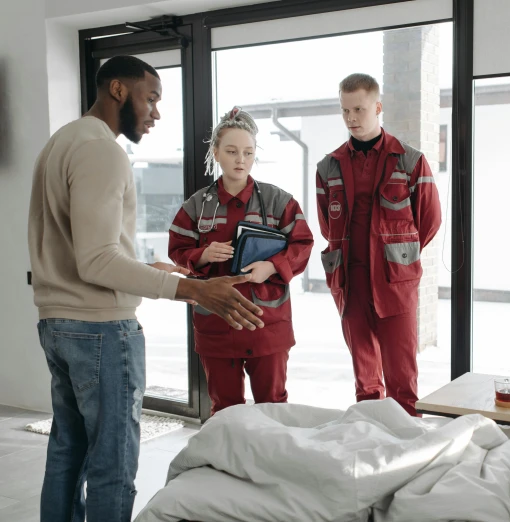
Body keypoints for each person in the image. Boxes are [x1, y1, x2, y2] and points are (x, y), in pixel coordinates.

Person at [27, 56, 264, 522]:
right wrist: (190, 289)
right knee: (113, 463)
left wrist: (140, 265)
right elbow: (96, 261)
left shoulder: (62, 141)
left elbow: (82, 248)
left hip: (57, 324)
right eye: (150, 98)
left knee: (67, 452)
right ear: (118, 89)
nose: (156, 112)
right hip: (98, 329)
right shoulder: (102, 150)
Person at [169, 107, 313, 415]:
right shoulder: (196, 206)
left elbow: (303, 243)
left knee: (273, 408)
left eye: (248, 152)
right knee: (224, 411)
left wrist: (272, 266)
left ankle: (271, 463)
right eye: (232, 151)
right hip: (216, 325)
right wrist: (202, 254)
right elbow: (177, 248)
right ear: (216, 153)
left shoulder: (279, 201)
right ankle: (229, 464)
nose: (240, 160)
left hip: (267, 325)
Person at [315, 73, 442, 416]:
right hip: (350, 282)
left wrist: (395, 257)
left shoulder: (410, 160)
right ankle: (370, 446)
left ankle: (407, 449)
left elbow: (428, 221)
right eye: (345, 111)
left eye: (359, 109)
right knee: (365, 378)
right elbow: (328, 224)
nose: (352, 118)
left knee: (402, 378)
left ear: (378, 107)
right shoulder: (327, 167)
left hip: (394, 282)